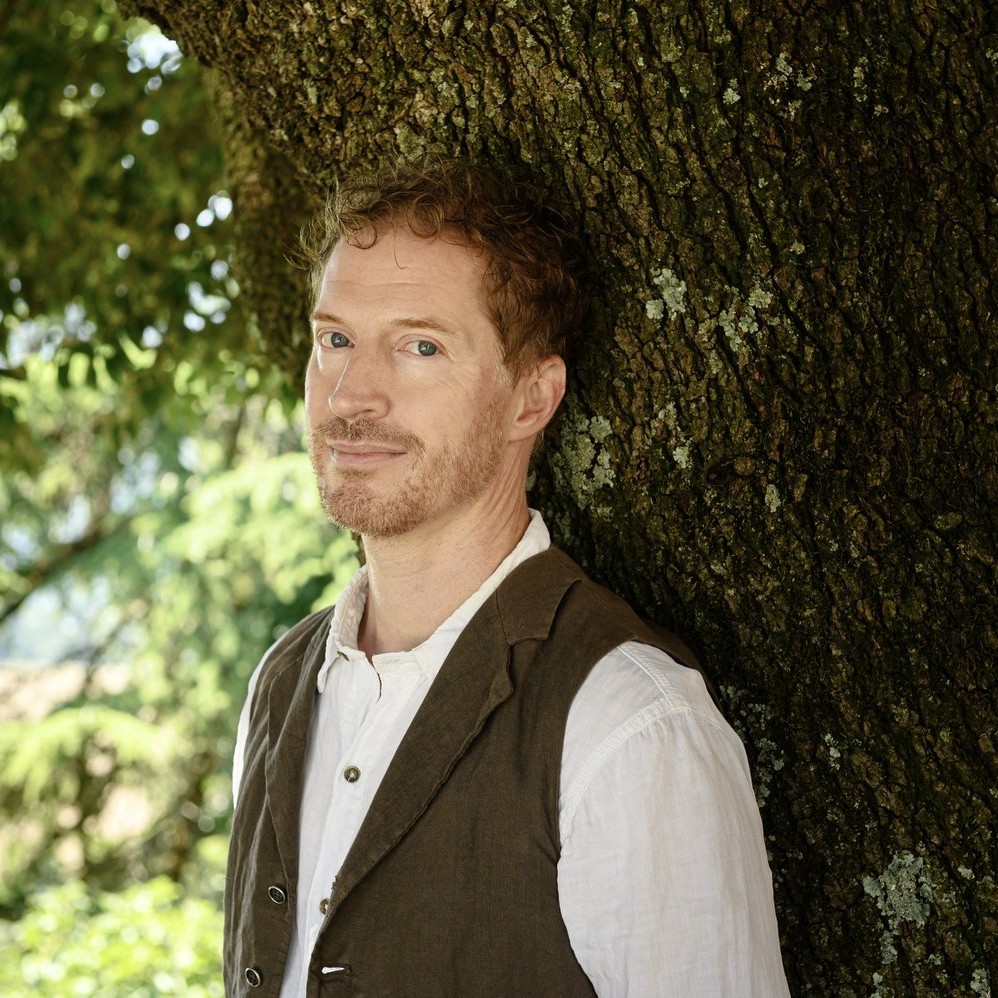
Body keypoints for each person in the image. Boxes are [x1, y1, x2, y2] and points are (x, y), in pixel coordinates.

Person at [224, 157, 790, 997]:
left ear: (532, 398)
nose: (351, 393)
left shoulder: (631, 725)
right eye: (334, 339)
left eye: (419, 346)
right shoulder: (278, 686)